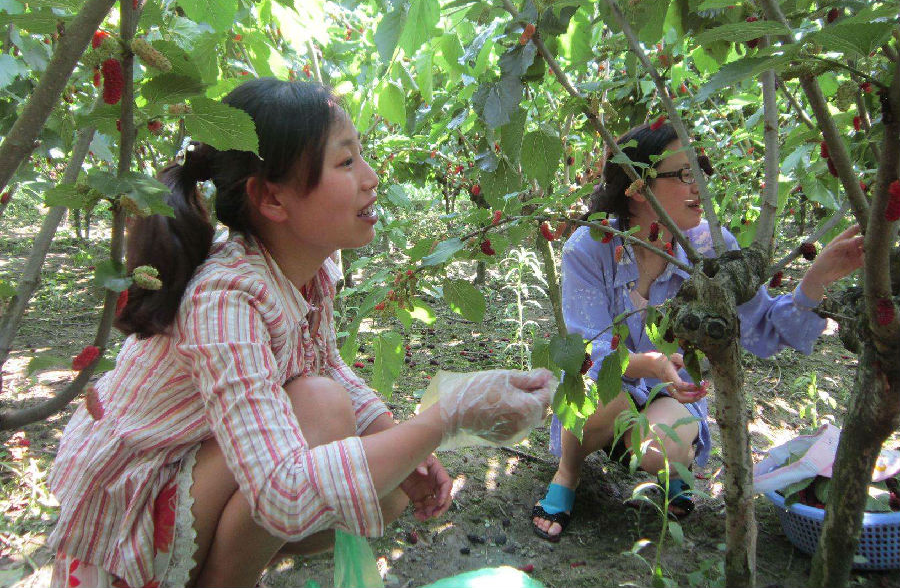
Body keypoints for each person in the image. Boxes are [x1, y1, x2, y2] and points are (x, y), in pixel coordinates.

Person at [48, 78, 555, 588]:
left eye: (362, 156)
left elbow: (324, 361)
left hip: (200, 475)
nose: (371, 177)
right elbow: (282, 494)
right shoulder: (226, 298)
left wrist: (401, 440)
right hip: (126, 528)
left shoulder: (307, 271)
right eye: (346, 162)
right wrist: (447, 419)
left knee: (391, 484)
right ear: (271, 198)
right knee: (321, 409)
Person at [531, 122, 865, 542]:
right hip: (605, 384)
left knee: (664, 449)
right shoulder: (590, 246)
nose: (698, 187)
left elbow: (761, 329)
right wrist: (649, 364)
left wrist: (816, 281)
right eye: (684, 174)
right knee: (593, 400)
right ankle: (568, 472)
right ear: (637, 188)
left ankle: (672, 465)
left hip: (674, 392)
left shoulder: (711, 247)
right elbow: (587, 351)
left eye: (700, 172)